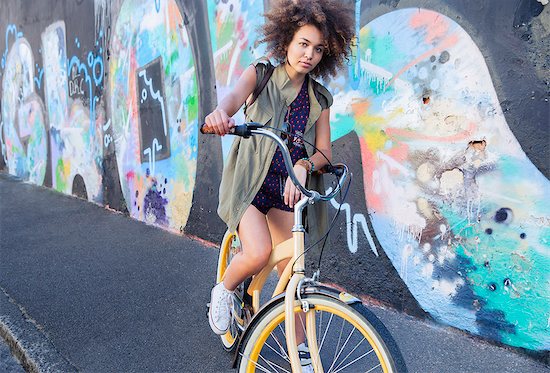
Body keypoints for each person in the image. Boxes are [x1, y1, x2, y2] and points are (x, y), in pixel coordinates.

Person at [205, 0, 354, 369]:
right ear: (286, 40)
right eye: (303, 44)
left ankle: (300, 350)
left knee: (293, 269)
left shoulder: (319, 98)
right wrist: (221, 114)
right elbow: (232, 100)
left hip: (286, 192)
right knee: (256, 253)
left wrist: (303, 165)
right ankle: (223, 291)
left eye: (318, 48)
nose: (309, 55)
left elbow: (323, 152)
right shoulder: (261, 76)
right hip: (251, 188)